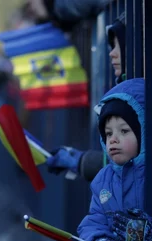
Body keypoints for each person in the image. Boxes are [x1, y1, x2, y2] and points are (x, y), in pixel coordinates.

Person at [76, 78, 152, 241]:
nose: (113, 140)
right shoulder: (103, 180)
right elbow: (93, 223)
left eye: (124, 131)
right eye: (108, 133)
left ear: (146, 131)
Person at [45, 18, 127, 181]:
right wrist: (81, 161)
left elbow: (130, 165)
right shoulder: (123, 93)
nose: (112, 52)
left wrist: (81, 161)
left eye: (119, 45)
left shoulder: (139, 97)